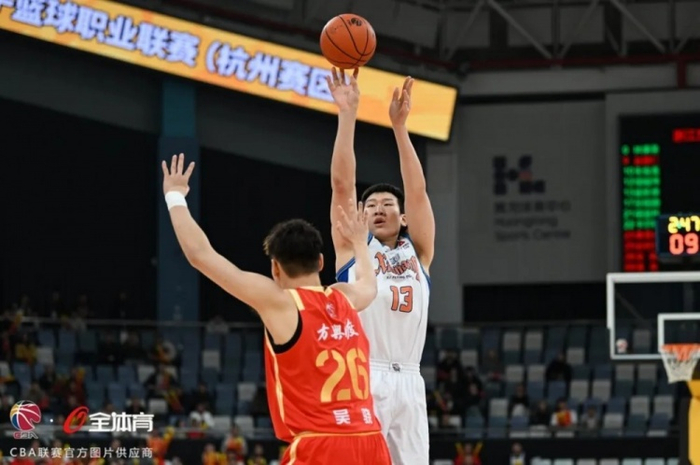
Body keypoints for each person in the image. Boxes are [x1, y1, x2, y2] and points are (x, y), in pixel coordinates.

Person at [162, 154, 391, 465]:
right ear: (320, 262)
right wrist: (360, 244)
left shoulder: (281, 304)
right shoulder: (345, 297)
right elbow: (370, 286)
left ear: (275, 268)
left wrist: (175, 196)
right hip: (372, 441)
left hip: (321, 444)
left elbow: (200, 255)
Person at [327, 68, 434, 464]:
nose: (378, 209)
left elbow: (418, 192)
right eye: (370, 205)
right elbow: (342, 185)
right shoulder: (353, 246)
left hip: (410, 378)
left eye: (388, 204)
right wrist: (347, 114)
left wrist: (400, 129)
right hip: (364, 376)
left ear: (402, 217)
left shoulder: (418, 252)